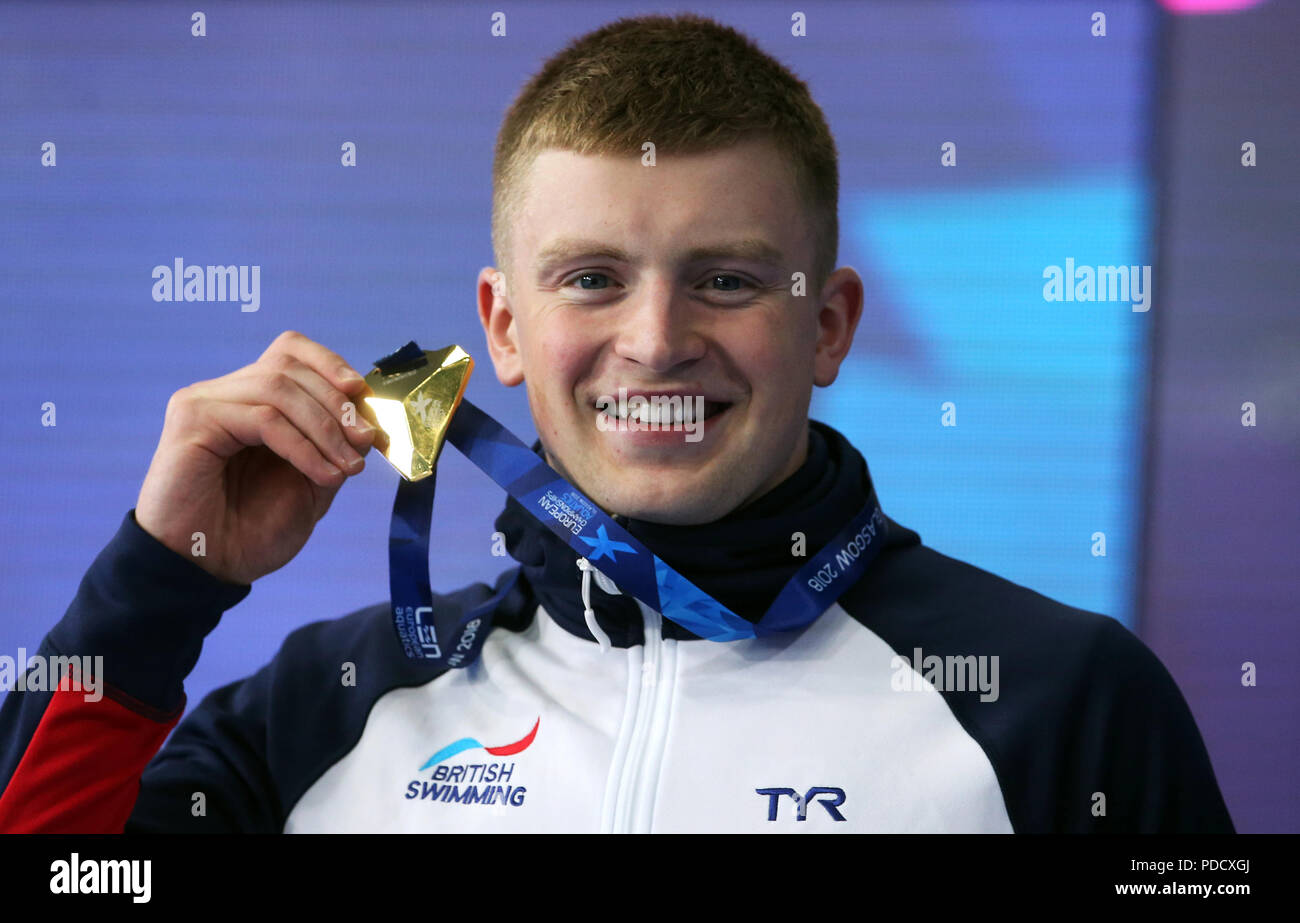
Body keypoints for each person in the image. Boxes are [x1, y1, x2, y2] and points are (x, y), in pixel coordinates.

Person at [0, 13, 1232, 833]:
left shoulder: (1061, 699)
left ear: (830, 324)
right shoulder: (325, 707)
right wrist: (157, 583)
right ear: (505, 325)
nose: (654, 339)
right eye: (591, 277)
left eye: (729, 279)